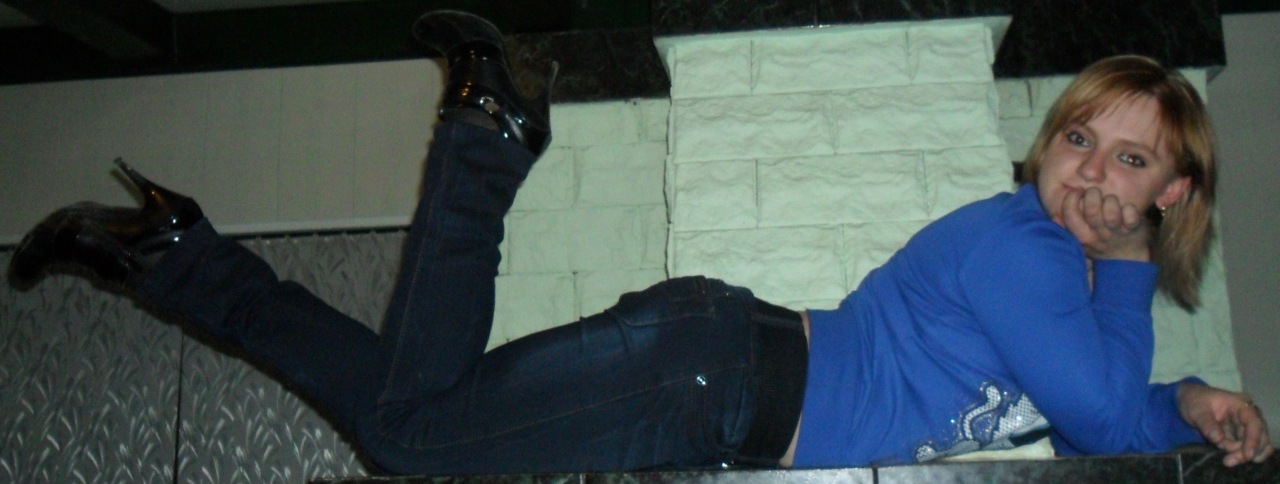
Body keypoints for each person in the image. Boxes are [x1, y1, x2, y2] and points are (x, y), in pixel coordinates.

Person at [6, 10, 1272, 476]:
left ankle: (174, 253)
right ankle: (483, 134)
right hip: (710, 382)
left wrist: (1183, 397)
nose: (1088, 173)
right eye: (1078, 140)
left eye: (1128, 160)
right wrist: (1137, 295)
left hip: (710, 372)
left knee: (409, 417)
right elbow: (1096, 417)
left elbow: (1102, 414)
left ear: (1174, 189)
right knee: (410, 436)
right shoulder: (1032, 255)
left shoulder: (1062, 282)